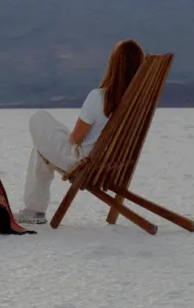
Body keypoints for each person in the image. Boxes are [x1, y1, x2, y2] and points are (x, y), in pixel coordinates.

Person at [16, 39, 145, 225]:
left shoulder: (99, 97)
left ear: (114, 65)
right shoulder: (139, 106)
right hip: (115, 167)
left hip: (84, 164)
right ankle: (34, 210)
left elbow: (76, 138)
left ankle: (34, 210)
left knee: (39, 119)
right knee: (42, 148)